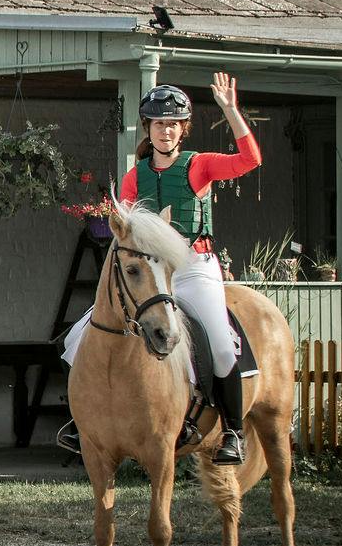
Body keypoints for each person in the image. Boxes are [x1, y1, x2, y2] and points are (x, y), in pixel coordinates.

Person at [57, 74, 257, 464]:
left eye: (173, 124)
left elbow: (250, 160)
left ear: (183, 129)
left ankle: (232, 430)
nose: (165, 130)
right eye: (158, 123)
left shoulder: (199, 166)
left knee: (218, 343)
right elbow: (129, 232)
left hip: (194, 268)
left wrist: (231, 111)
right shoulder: (134, 176)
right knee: (76, 339)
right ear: (148, 127)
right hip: (154, 274)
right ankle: (83, 420)